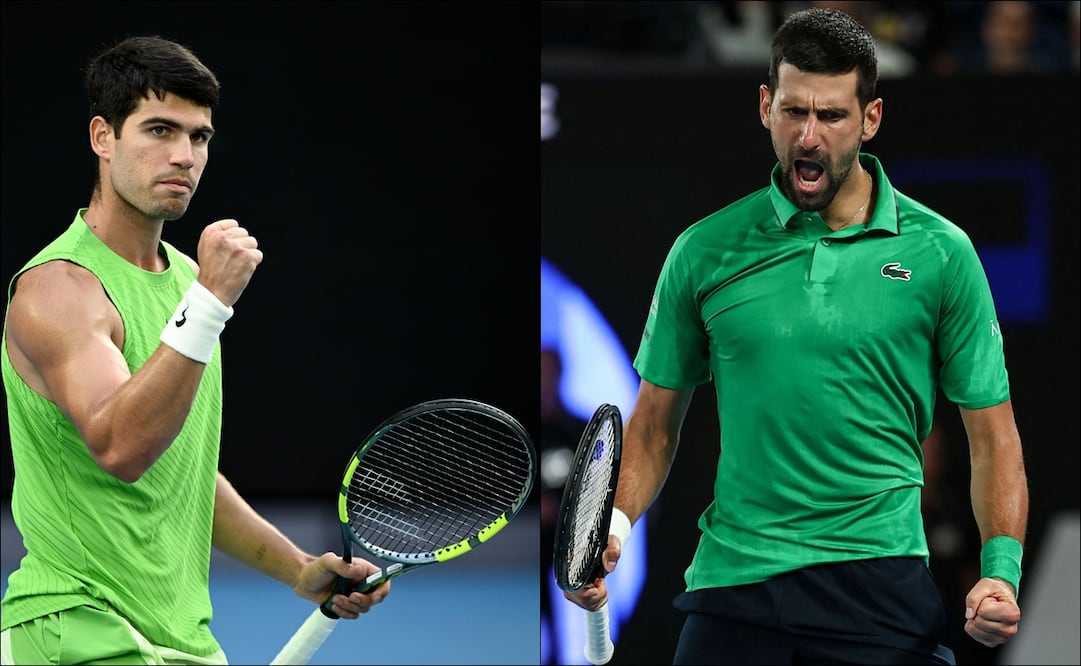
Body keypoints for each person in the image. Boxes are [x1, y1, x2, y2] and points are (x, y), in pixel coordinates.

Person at [564, 7, 1029, 665]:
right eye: (793, 112)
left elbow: (992, 437)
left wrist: (999, 570)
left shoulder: (941, 253)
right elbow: (651, 428)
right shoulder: (702, 251)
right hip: (735, 587)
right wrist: (612, 527)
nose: (807, 137)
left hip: (879, 587)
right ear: (764, 106)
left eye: (831, 116)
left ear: (869, 119)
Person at [0, 35, 388, 664]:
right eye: (158, 129)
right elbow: (122, 448)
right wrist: (210, 303)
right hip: (79, 629)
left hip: (179, 641)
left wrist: (296, 569)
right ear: (103, 137)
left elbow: (180, 474)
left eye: (199, 136)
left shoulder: (185, 282)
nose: (183, 155)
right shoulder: (59, 290)